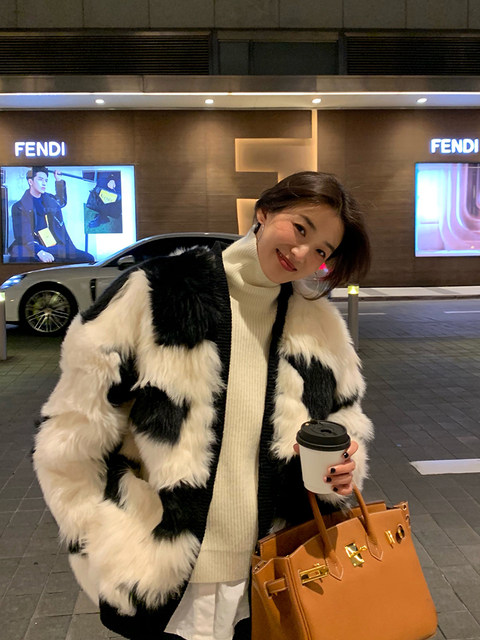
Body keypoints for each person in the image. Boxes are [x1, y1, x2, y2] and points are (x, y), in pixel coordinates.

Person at [33, 171, 374, 640]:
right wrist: (97, 534)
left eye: (321, 251)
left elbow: (343, 421)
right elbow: (72, 427)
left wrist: (343, 468)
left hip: (273, 568)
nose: (301, 253)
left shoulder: (320, 328)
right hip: (166, 566)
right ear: (264, 211)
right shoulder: (158, 291)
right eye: (300, 228)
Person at [8, 166, 94, 263]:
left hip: (55, 246)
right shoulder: (19, 206)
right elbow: (23, 235)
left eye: (46, 180)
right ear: (30, 182)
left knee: (88, 258)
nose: (44, 183)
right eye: (40, 179)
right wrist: (39, 251)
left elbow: (61, 201)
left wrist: (59, 181)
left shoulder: (49, 199)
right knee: (22, 256)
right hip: (35, 245)